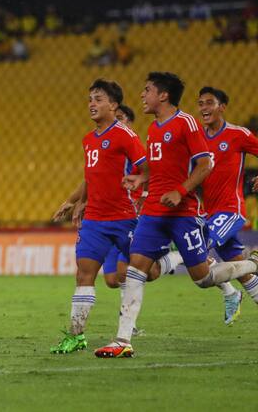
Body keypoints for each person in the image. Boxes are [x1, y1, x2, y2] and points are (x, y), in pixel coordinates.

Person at [95, 72, 258, 358]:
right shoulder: (154, 129)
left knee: (204, 278)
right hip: (154, 213)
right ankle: (123, 340)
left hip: (185, 213)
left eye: (147, 90)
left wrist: (181, 191)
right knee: (135, 268)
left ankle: (250, 265)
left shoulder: (187, 124)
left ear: (163, 95)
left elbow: (205, 164)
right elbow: (159, 169)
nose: (142, 95)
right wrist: (141, 180)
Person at [49, 80, 146, 354]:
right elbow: (92, 176)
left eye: (99, 99)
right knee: (84, 274)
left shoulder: (125, 135)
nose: (92, 103)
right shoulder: (89, 140)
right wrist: (79, 202)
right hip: (94, 220)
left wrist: (139, 181)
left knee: (147, 271)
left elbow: (145, 166)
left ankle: (171, 256)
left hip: (125, 217)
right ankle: (76, 335)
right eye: (90, 98)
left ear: (113, 105)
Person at [198, 86, 258, 324]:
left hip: (231, 210)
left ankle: (250, 266)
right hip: (208, 212)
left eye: (209, 103)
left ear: (222, 106)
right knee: (239, 268)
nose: (203, 108)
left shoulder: (238, 134)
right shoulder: (197, 137)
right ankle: (234, 291)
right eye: (200, 103)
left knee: (196, 248)